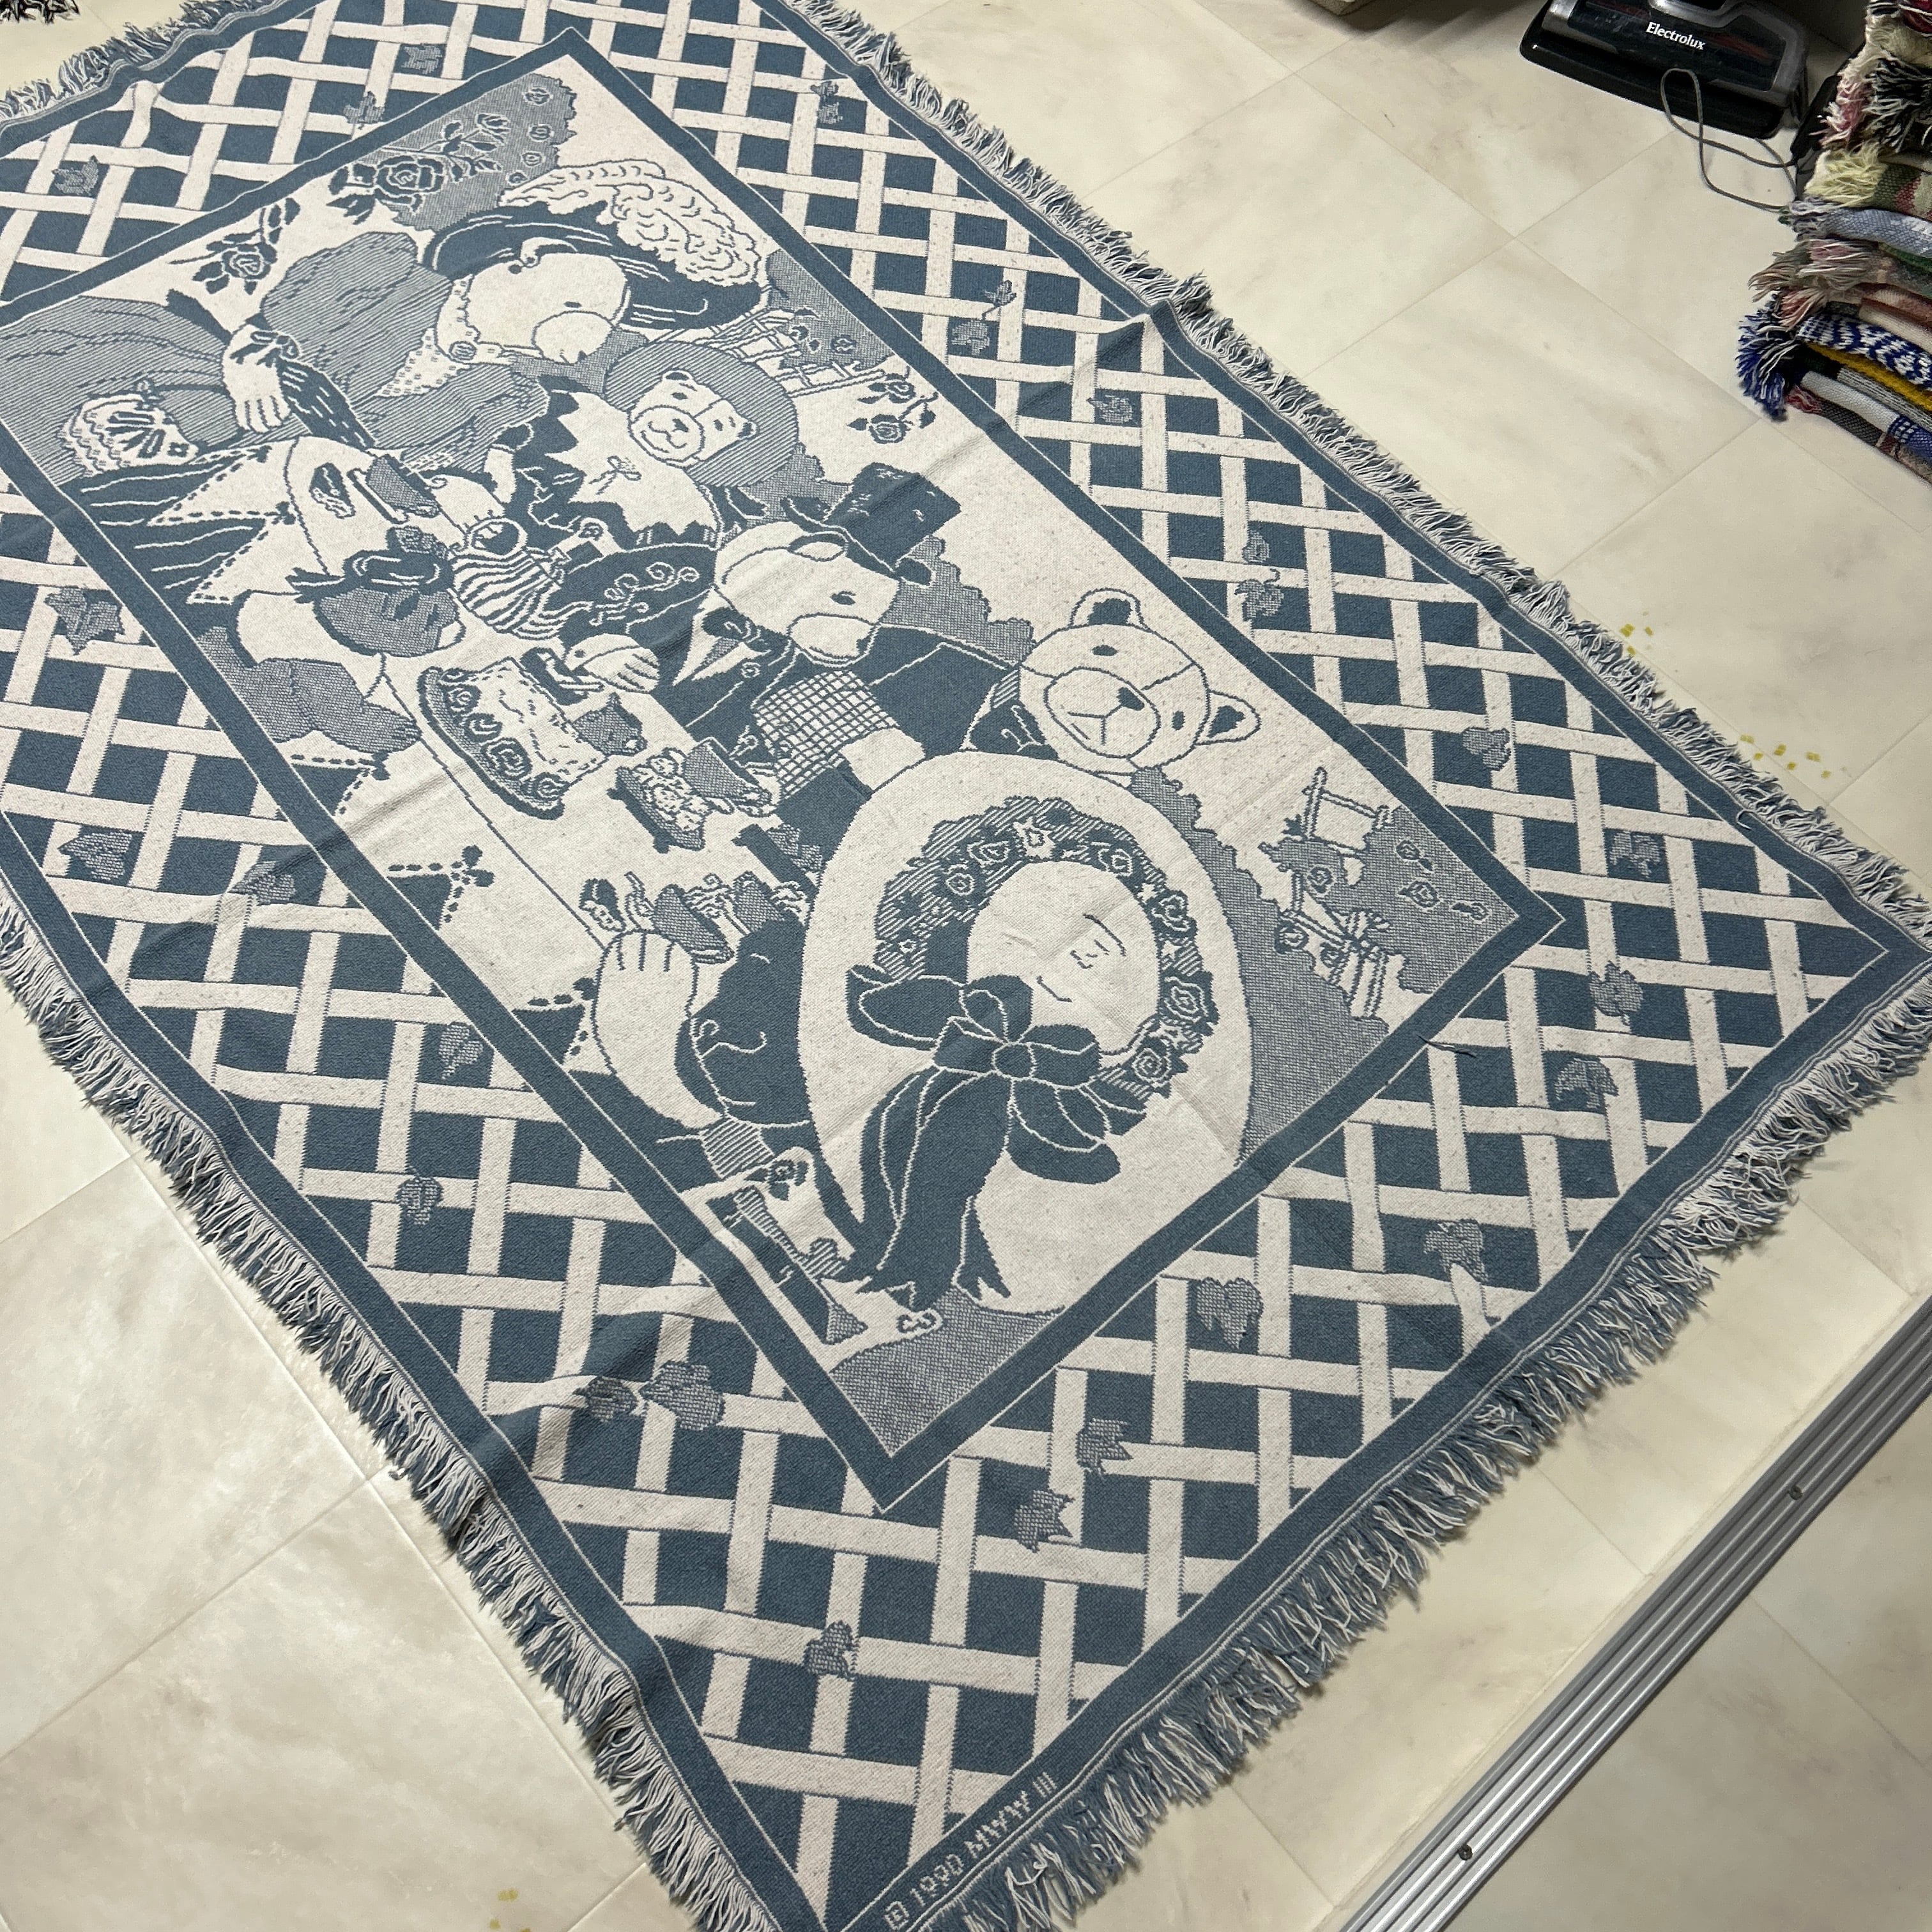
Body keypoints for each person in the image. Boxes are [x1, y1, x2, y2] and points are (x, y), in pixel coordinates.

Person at [0, 187, 767, 485]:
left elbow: (445, 461)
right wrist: (250, 359)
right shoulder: (390, 265)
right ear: (527, 253)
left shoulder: (509, 393)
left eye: (605, 323)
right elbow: (281, 323)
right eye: (577, 303)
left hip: (282, 479)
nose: (581, 334)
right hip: (198, 389)